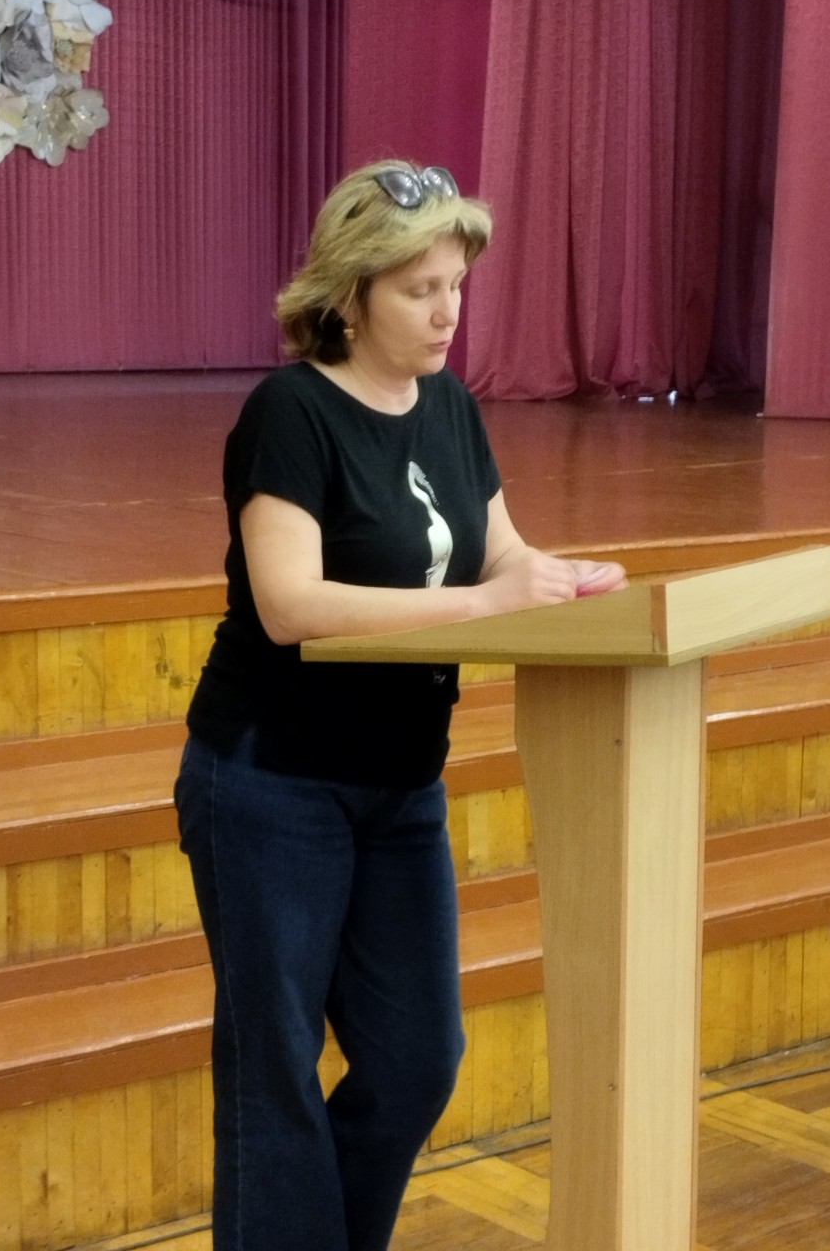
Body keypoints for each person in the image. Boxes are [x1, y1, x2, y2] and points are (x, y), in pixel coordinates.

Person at [174, 159, 627, 1251]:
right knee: (275, 1070)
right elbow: (289, 603)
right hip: (271, 782)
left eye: (456, 285)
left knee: (419, 1059)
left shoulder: (451, 407)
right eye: (420, 289)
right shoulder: (290, 412)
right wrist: (483, 602)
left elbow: (498, 550)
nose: (447, 312)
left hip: (401, 785)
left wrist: (558, 580)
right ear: (350, 293)